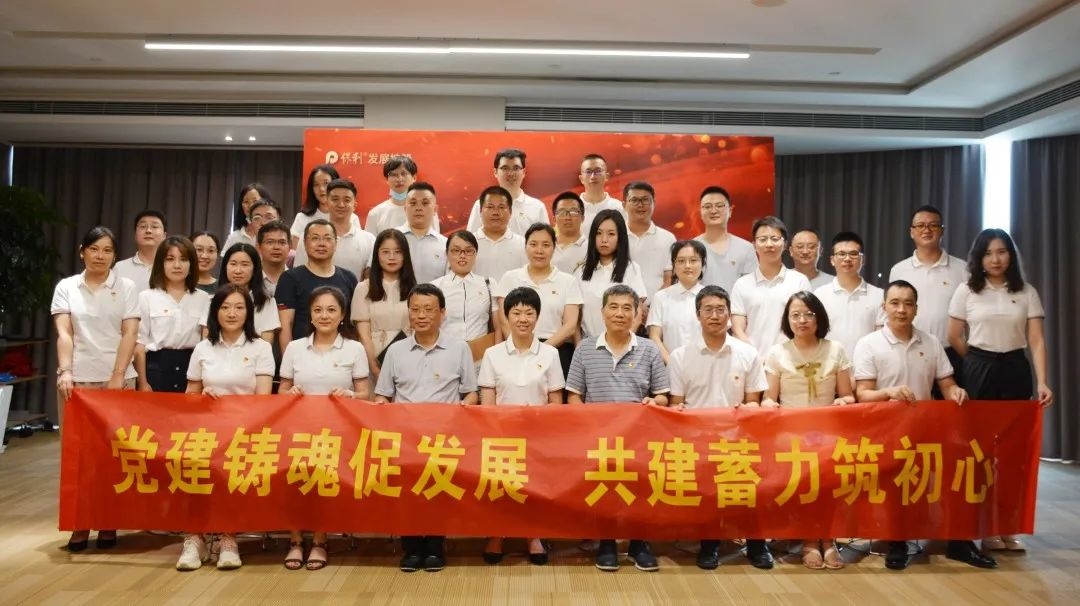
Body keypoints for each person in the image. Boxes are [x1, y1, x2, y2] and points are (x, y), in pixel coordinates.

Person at [852, 280, 996, 571]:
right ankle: (897, 541)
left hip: (927, 431)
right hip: (885, 433)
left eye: (908, 304)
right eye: (895, 303)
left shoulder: (931, 342)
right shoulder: (869, 344)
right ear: (884, 307)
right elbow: (862, 394)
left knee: (961, 470)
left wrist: (955, 391)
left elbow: (946, 383)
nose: (901, 310)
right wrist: (889, 393)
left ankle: (959, 542)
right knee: (897, 483)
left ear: (916, 309)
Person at [947, 229, 1053, 552]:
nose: (995, 259)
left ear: (1011, 255)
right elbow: (954, 336)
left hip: (1016, 369)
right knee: (980, 453)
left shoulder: (1026, 291)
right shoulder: (967, 290)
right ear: (978, 258)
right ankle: (985, 527)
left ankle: (1008, 526)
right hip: (979, 368)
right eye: (988, 253)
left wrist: (1042, 381)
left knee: (1012, 455)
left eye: (1002, 252)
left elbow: (1036, 340)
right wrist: (977, 362)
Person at [374, 283, 478, 573]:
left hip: (443, 438)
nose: (421, 315)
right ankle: (411, 549)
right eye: (415, 309)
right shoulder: (395, 351)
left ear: (442, 313)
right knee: (407, 494)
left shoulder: (459, 348)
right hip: (405, 437)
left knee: (436, 491)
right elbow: (382, 394)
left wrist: (464, 407)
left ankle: (434, 547)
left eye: (428, 309)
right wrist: (381, 407)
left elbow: (471, 392)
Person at [666, 285, 770, 570]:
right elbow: (677, 403)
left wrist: (745, 413)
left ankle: (757, 544)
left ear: (729, 314)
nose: (715, 316)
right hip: (697, 440)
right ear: (697, 315)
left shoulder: (747, 353)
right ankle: (709, 544)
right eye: (708, 310)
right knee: (707, 494)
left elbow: (753, 401)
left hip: (739, 438)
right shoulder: (680, 356)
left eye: (720, 310)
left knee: (749, 492)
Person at [566, 284, 668, 572]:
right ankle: (607, 542)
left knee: (640, 488)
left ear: (637, 314)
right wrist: (586, 424)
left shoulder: (648, 349)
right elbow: (574, 395)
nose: (620, 314)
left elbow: (663, 395)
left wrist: (654, 401)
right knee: (605, 488)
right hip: (598, 438)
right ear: (602, 312)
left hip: (638, 438)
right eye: (613, 307)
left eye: (626, 308)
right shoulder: (585, 349)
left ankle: (639, 543)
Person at [51, 226, 139, 552]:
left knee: (113, 456)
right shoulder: (66, 287)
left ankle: (108, 522)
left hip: (118, 379)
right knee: (79, 456)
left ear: (114, 256)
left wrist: (117, 375)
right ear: (82, 251)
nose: (100, 256)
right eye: (94, 249)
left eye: (107, 250)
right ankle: (79, 523)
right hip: (77, 383)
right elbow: (65, 334)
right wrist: (66, 371)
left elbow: (130, 333)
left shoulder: (126, 287)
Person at [180, 284, 275, 571]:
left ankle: (228, 538)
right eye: (225, 307)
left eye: (239, 307)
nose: (232, 313)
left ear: (248, 312)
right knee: (194, 470)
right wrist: (202, 397)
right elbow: (189, 395)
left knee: (231, 472)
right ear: (215, 312)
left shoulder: (261, 348)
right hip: (206, 431)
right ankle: (194, 539)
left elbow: (263, 399)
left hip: (245, 431)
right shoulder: (203, 348)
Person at [278, 285, 370, 571]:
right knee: (294, 484)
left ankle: (320, 540)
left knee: (325, 484)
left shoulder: (354, 348)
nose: (324, 316)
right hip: (297, 429)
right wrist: (290, 393)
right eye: (318, 310)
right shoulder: (295, 348)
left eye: (331, 310)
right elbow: (281, 390)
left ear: (342, 315)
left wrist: (350, 395)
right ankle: (295, 540)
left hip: (336, 432)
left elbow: (364, 393)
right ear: (310, 314)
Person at [761, 291, 854, 570]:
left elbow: (848, 395)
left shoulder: (835, 349)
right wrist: (767, 405)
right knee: (804, 484)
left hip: (828, 433)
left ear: (818, 318)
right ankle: (810, 540)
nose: (802, 320)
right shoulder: (778, 353)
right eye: (795, 315)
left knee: (828, 486)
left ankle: (829, 539)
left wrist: (843, 401)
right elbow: (769, 397)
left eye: (808, 314)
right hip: (791, 435)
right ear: (787, 320)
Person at [477, 287, 563, 565]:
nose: (523, 319)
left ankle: (533, 536)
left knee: (534, 488)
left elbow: (556, 402)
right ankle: (496, 534)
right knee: (499, 487)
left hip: (539, 436)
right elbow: (487, 403)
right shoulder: (492, 354)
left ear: (538, 317)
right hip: (501, 436)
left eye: (529, 313)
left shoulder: (550, 353)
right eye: (516, 313)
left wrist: (535, 418)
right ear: (506, 316)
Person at [888, 205, 967, 387]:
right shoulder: (899, 270)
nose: (926, 230)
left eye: (933, 225)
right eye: (920, 225)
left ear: (942, 231)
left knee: (953, 402)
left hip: (952, 352)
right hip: (910, 351)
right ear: (911, 232)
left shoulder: (962, 269)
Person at [496, 223, 582, 378]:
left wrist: (541, 350)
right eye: (533, 244)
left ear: (554, 248)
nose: (539, 250)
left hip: (556, 350)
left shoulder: (568, 281)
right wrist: (520, 348)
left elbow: (570, 325)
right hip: (516, 350)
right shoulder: (510, 278)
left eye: (546, 245)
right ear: (525, 246)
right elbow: (504, 320)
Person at [134, 236, 210, 393]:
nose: (177, 265)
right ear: (161, 264)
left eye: (183, 259)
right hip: (156, 369)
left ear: (192, 264)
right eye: (170, 259)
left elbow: (207, 344)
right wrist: (142, 382)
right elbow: (139, 344)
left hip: (191, 371)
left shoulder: (203, 298)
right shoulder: (146, 297)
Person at [731, 216, 811, 356]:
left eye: (775, 239)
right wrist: (755, 357)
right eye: (763, 239)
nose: (769, 244)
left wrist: (780, 358)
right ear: (754, 245)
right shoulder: (742, 284)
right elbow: (737, 330)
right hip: (752, 360)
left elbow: (804, 324)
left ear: (785, 244)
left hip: (790, 360)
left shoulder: (799, 281)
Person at [277, 219, 359, 349]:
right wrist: (289, 358)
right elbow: (286, 325)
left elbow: (354, 324)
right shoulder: (290, 278)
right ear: (305, 243)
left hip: (342, 353)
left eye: (327, 239)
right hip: (304, 353)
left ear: (336, 244)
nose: (321, 244)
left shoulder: (349, 278)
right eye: (315, 238)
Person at [351, 229, 415, 385]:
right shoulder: (363, 288)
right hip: (372, 356)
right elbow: (363, 335)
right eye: (385, 252)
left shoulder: (415, 289)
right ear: (377, 255)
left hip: (407, 358)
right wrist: (374, 368)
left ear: (405, 255)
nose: (391, 257)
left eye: (397, 252)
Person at [574, 209, 647, 339]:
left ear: (620, 237)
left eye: (611, 234)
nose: (604, 240)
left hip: (623, 343)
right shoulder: (580, 271)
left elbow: (637, 315)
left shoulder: (631, 269)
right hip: (588, 343)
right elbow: (575, 318)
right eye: (598, 233)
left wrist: (622, 344)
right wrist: (580, 346)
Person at [430, 230, 500, 360]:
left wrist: (496, 358)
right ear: (447, 253)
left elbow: (498, 327)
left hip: (481, 356)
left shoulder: (488, 284)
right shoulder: (435, 287)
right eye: (456, 250)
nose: (462, 256)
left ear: (475, 254)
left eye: (468, 251)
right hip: (444, 356)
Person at [813, 231, 884, 357]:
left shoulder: (879, 295)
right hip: (829, 365)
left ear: (863, 259)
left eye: (853, 254)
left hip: (866, 366)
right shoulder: (819, 295)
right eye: (841, 254)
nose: (847, 259)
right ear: (832, 260)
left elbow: (881, 338)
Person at [294, 179, 374, 279]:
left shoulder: (369, 240)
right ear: (327, 203)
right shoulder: (308, 237)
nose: (341, 205)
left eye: (347, 200)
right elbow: (298, 274)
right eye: (335, 199)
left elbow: (370, 280)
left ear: (354, 205)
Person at [466, 148, 550, 235]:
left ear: (524, 172)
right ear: (495, 172)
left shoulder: (537, 207)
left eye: (516, 168)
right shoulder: (481, 205)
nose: (511, 173)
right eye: (505, 168)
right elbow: (469, 241)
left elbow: (546, 240)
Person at [647, 240, 706, 363]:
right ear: (674, 265)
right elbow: (654, 337)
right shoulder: (661, 297)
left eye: (693, 260)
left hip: (707, 366)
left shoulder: (712, 296)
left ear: (703, 264)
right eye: (681, 261)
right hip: (670, 366)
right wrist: (672, 364)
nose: (687, 265)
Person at [693, 186, 756, 292]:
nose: (713, 211)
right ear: (700, 212)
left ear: (730, 211)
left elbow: (752, 289)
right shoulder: (691, 248)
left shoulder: (746, 248)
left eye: (719, 206)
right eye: (707, 206)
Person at [623, 181, 676, 299]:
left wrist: (654, 305)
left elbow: (670, 279)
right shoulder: (615, 236)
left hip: (659, 306)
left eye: (645, 200)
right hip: (622, 306)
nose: (640, 205)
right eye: (634, 200)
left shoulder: (668, 238)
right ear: (624, 205)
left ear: (654, 203)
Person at [366, 155, 441, 235]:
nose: (399, 179)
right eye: (393, 175)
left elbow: (435, 240)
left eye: (404, 173)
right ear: (387, 180)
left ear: (414, 177)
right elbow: (369, 242)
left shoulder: (427, 210)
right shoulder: (375, 213)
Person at [290, 163, 360, 249]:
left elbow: (358, 247)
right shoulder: (302, 217)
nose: (322, 189)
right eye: (316, 185)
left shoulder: (352, 218)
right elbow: (295, 250)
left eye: (326, 183)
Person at [220, 243, 280, 342]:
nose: (238, 271)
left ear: (255, 269)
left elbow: (267, 344)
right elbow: (209, 340)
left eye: (245, 264)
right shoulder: (212, 300)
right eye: (233, 264)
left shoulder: (267, 302)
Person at [472, 185, 527, 282]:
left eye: (501, 207)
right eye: (490, 207)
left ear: (510, 211)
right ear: (480, 211)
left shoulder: (522, 244)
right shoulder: (469, 243)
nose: (495, 212)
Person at [396, 182, 447, 284]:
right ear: (405, 208)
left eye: (425, 203)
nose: (418, 208)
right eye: (413, 203)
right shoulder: (391, 239)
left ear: (435, 209)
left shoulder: (446, 244)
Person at [114, 209, 167, 292]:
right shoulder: (119, 268)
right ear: (135, 234)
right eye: (143, 226)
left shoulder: (172, 268)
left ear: (164, 235)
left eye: (154, 227)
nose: (148, 231)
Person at [578, 154, 625, 229]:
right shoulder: (572, 209)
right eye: (588, 172)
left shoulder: (619, 208)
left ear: (607, 176)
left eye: (598, 171)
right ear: (581, 179)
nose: (593, 176)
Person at [222, 184, 273, 251]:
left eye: (255, 201)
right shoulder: (234, 237)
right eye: (246, 202)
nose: (251, 206)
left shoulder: (274, 234)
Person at [551, 191, 588, 275]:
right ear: (554, 219)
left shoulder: (592, 248)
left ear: (582, 218)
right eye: (562, 212)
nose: (567, 217)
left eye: (573, 212)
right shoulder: (546, 247)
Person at [257, 220, 291, 297]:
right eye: (270, 242)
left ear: (289, 247)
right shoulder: (251, 278)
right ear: (259, 247)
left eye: (282, 242)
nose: (276, 247)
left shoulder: (296, 279)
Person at [190, 231, 221, 295]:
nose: (204, 256)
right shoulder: (179, 284)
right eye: (199, 249)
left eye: (211, 250)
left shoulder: (223, 287)